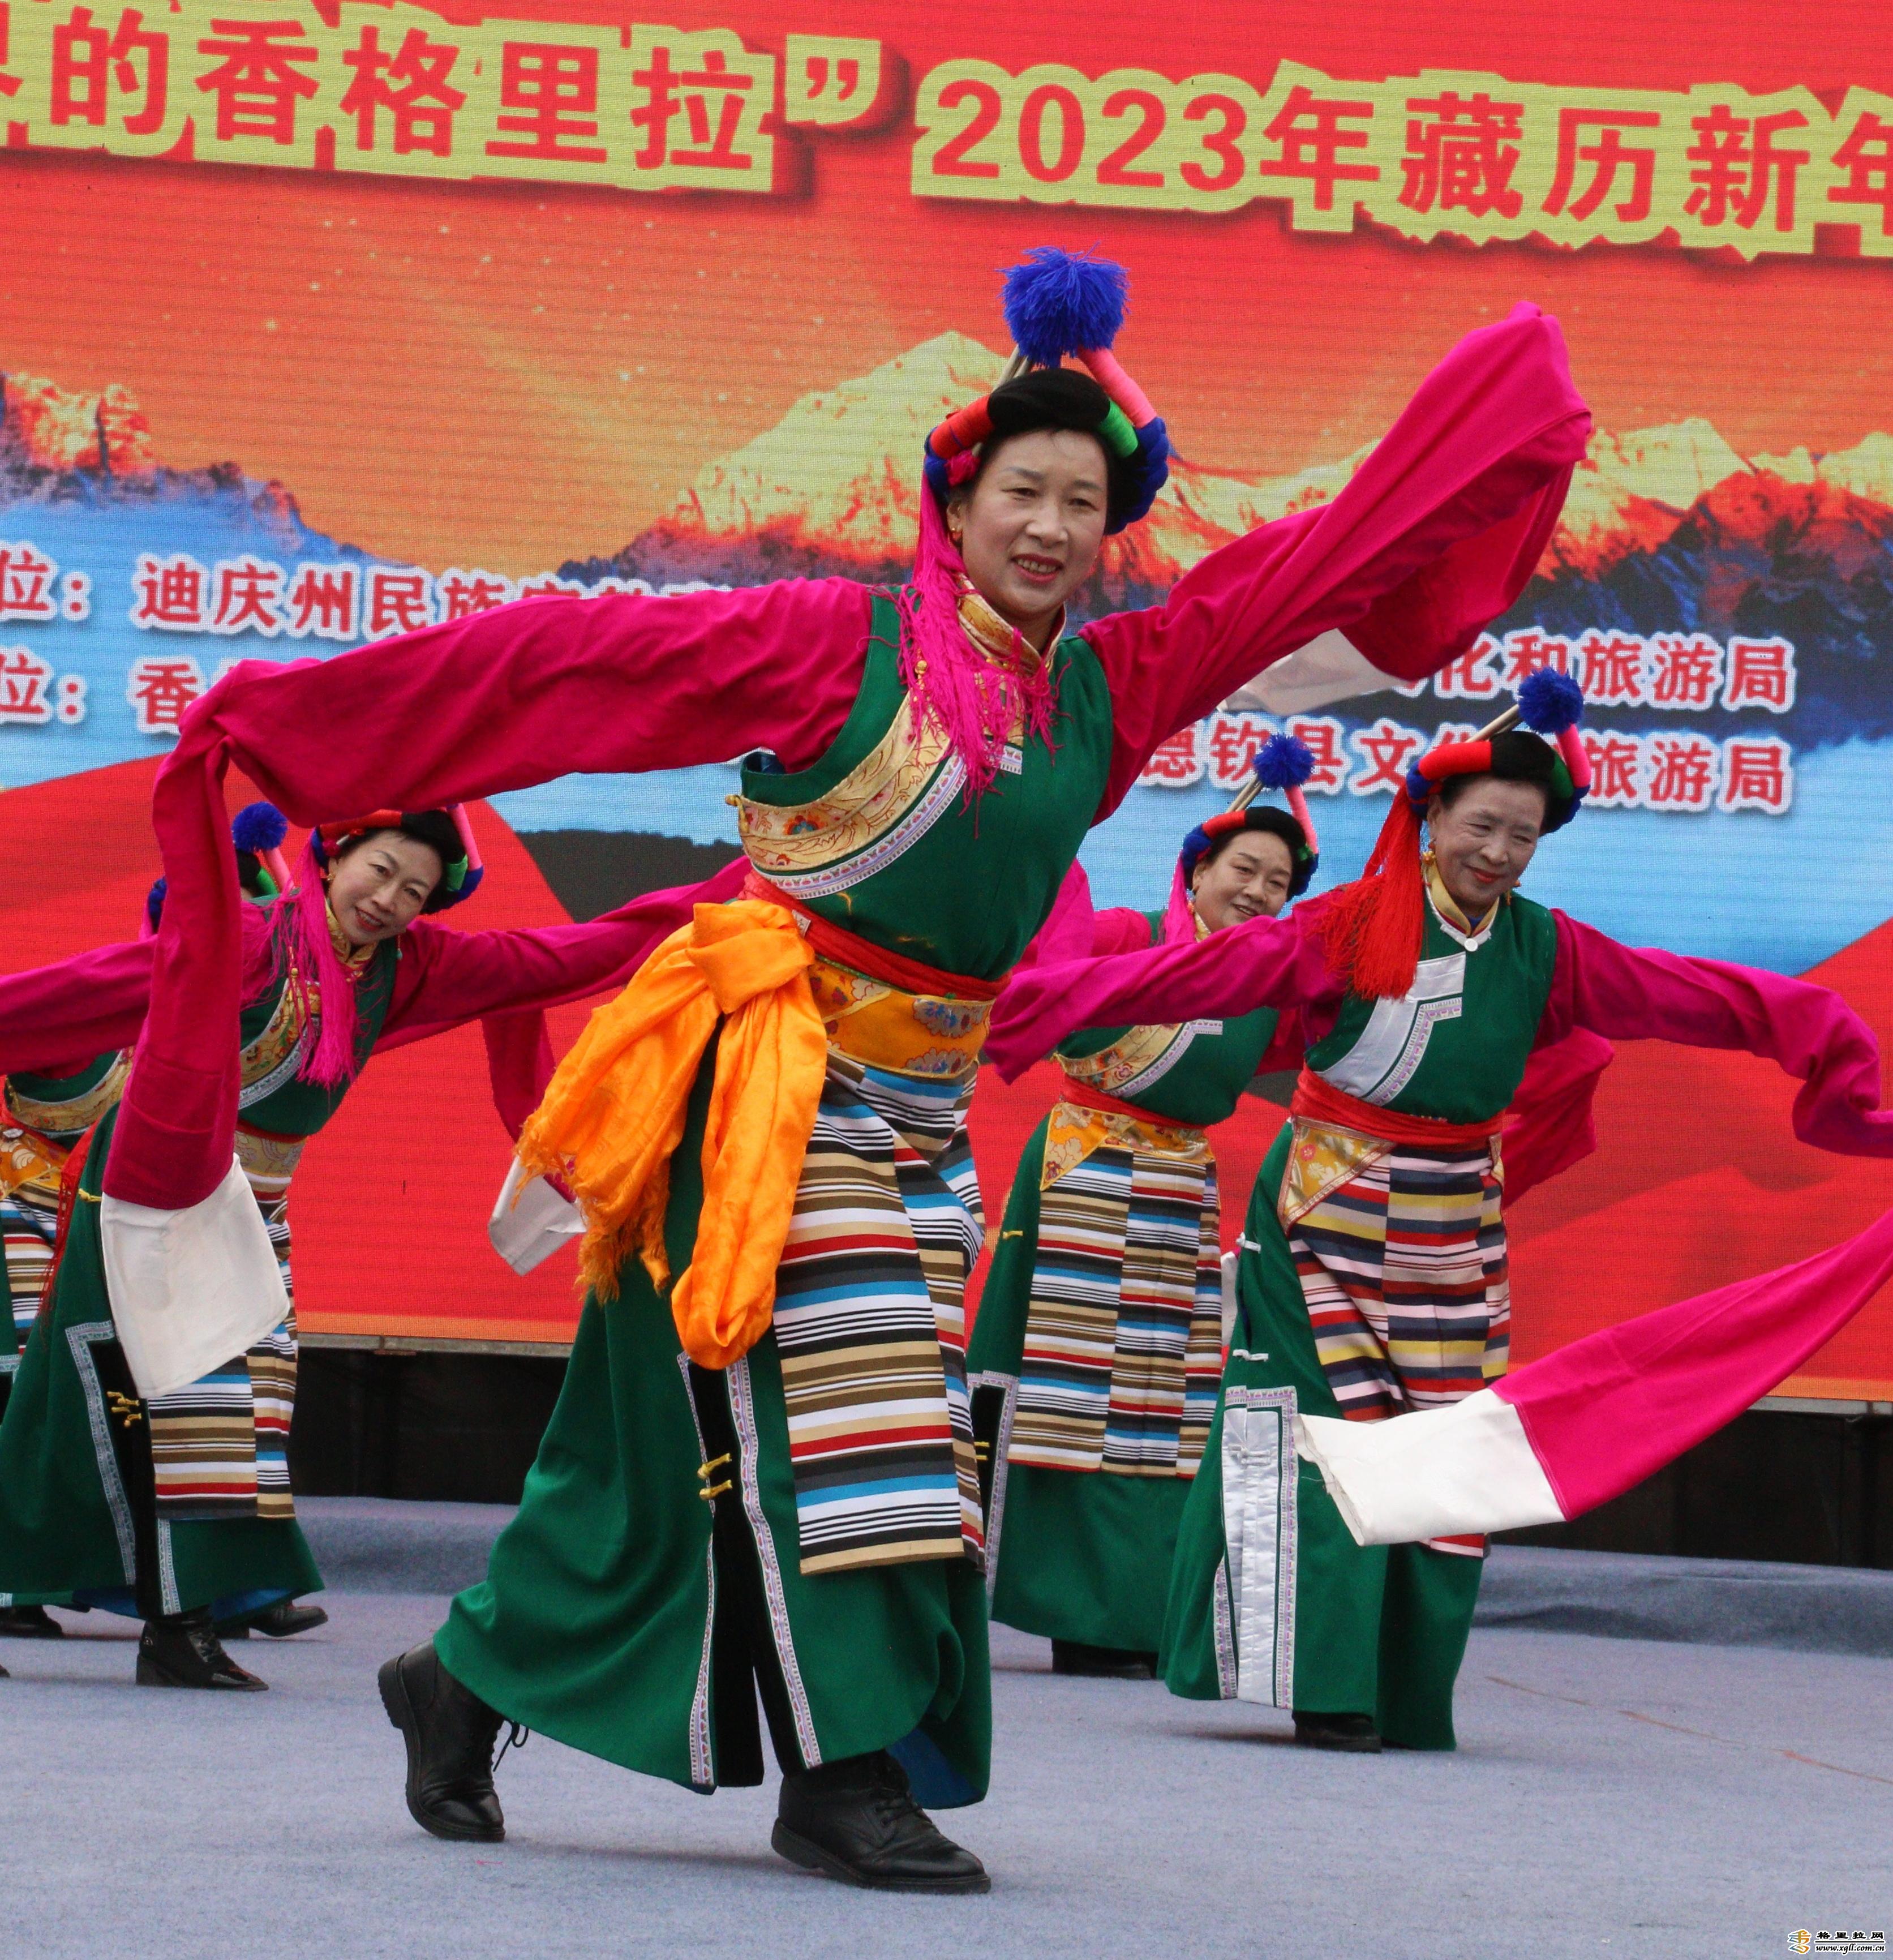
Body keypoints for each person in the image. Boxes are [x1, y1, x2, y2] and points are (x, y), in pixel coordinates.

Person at [132, 251, 1589, 1886]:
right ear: (953, 504)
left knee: (665, 1454)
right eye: (1021, 492)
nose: (1049, 527)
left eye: (1082, 504)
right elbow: (570, 667)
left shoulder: (1108, 689)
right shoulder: (838, 645)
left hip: (923, 1116)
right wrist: (306, 724)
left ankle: (459, 1684)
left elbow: (1309, 567)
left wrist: (1500, 429)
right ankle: (845, 1775)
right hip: (764, 1078)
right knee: (864, 1416)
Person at [984, 675, 1893, 1754]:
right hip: (1318, 1217)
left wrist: (1823, 1037)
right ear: (1429, 820)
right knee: (1320, 1440)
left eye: (1521, 836)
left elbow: (1696, 995)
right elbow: (1195, 978)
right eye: (1480, 827)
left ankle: (1400, 1688)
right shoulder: (1344, 927)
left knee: (1441, 1451)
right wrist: (1021, 1009)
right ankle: (1324, 1685)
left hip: (1450, 1230)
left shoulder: (1545, 950)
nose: (1498, 852)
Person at [0, 803, 737, 1689]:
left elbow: (572, 953)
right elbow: (87, 988)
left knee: (249, 1402)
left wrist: (745, 884)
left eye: (414, 890)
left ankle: (202, 1600)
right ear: (333, 857)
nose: (388, 900)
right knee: (191, 1401)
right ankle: (178, 1627)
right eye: (380, 871)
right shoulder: (249, 941)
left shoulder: (412, 970)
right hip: (161, 1186)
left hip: (253, 1204)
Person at [968, 742, 1316, 1678]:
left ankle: (1132, 1611)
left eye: (1277, 883)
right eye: (1243, 869)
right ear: (1196, 870)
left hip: (1179, 1192)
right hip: (1083, 1176)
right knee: (1068, 1398)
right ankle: (1058, 1603)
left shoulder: (1265, 983)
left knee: (1164, 1409)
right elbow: (1037, 968)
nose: (1257, 892)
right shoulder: (1126, 936)